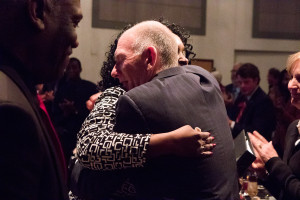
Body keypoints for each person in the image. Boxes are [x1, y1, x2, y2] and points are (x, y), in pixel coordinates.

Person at [75, 20, 238, 199]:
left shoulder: (139, 99)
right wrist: (169, 141)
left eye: (182, 54)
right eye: (178, 53)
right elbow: (93, 151)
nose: (183, 61)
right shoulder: (203, 79)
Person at [0, 0, 82, 199]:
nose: (76, 41)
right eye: (74, 22)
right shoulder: (10, 114)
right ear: (36, 11)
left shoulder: (15, 86)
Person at [249, 51, 300, 200]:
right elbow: (286, 188)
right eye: (291, 77)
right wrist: (266, 171)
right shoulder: (294, 128)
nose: (291, 85)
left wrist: (273, 162)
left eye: (299, 78)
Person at [52, 57, 98, 162]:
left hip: (82, 132)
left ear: (80, 69)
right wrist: (65, 113)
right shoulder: (60, 89)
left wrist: (75, 110)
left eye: (74, 67)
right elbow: (54, 113)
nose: (71, 70)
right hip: (64, 135)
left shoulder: (89, 87)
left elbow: (93, 113)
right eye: (68, 68)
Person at [228, 63, 276, 140]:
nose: (242, 86)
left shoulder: (263, 101)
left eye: (246, 82)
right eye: (240, 82)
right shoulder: (242, 96)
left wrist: (231, 124)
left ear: (256, 80)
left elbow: (256, 132)